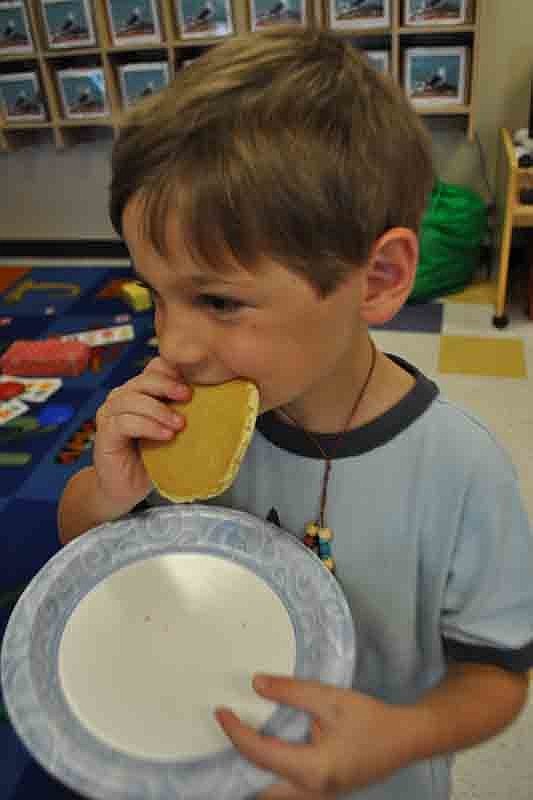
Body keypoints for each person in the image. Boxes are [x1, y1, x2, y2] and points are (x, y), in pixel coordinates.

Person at [57, 27, 533, 800]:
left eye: (217, 300)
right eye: (156, 295)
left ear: (377, 278)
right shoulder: (175, 425)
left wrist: (397, 739)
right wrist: (108, 491)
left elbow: (498, 675)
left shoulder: (459, 469)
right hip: (211, 756)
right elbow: (83, 544)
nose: (172, 344)